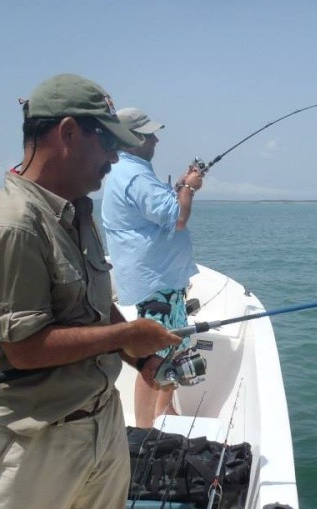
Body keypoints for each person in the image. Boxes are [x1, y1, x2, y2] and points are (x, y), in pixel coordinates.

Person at [0, 74, 180, 509]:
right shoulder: (11, 226)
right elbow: (25, 349)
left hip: (101, 425)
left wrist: (137, 356)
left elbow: (95, 310)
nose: (115, 160)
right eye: (108, 143)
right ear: (69, 133)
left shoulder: (78, 209)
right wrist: (127, 333)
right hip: (30, 445)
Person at [102, 107, 204, 428]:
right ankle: (144, 431)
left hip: (165, 277)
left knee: (174, 342)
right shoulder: (132, 174)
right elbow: (178, 217)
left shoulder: (134, 171)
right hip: (155, 280)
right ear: (130, 139)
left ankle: (164, 409)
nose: (156, 139)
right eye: (149, 134)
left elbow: (158, 211)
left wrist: (180, 188)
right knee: (153, 356)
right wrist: (188, 188)